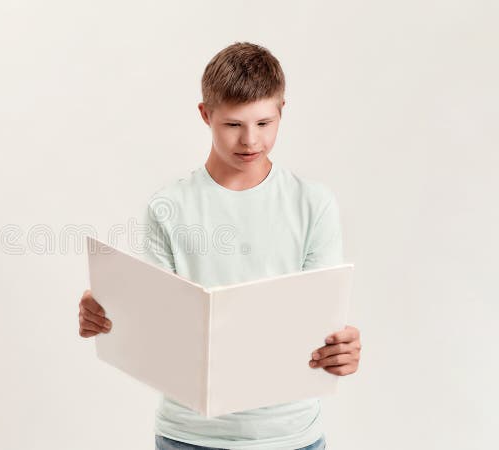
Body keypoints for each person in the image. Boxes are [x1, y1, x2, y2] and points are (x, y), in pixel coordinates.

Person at [77, 42, 361, 450]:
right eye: (233, 125)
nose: (250, 141)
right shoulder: (168, 206)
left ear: (282, 111)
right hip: (188, 436)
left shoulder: (314, 204)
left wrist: (342, 348)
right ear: (205, 115)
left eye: (264, 123)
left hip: (290, 436)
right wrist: (109, 311)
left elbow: (321, 317)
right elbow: (156, 325)